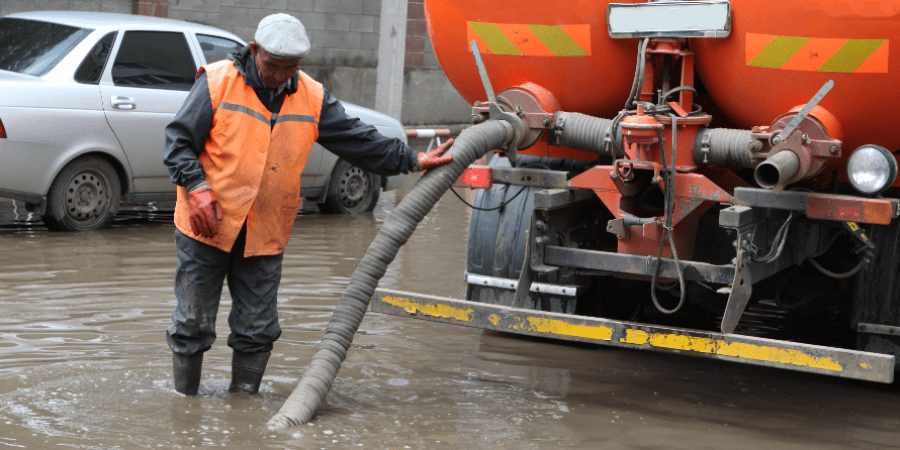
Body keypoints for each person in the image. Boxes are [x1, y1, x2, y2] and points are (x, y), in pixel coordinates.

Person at [162, 13, 453, 396]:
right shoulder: (217, 82)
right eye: (273, 65)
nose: (281, 75)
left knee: (257, 327)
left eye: (291, 68)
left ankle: (243, 405)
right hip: (207, 225)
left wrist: (411, 160)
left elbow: (355, 137)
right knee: (193, 321)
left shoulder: (311, 96)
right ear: (254, 51)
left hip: (265, 231)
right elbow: (178, 141)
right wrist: (197, 187)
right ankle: (186, 404)